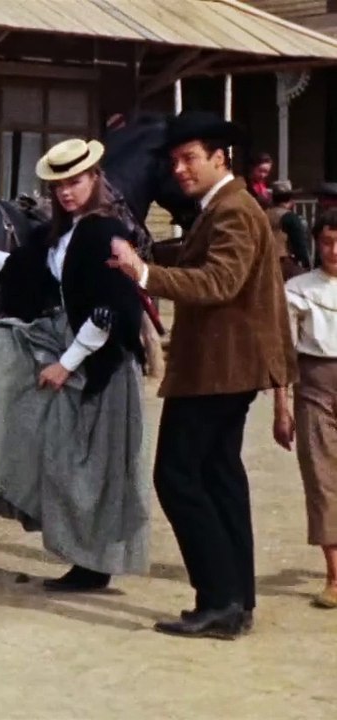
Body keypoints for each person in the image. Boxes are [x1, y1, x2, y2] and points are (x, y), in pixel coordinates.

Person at [0, 138, 151, 592]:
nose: (66, 192)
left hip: (98, 358)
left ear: (94, 180)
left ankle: (94, 566)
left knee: (88, 467)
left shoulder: (104, 232)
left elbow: (110, 310)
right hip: (67, 338)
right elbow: (16, 266)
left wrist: (66, 364)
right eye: (58, 184)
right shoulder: (62, 234)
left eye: (75, 182)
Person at [106, 110, 297, 640]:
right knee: (220, 478)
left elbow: (219, 281)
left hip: (219, 369)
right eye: (174, 161)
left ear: (220, 158)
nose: (181, 170)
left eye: (190, 159)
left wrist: (140, 271)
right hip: (227, 367)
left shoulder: (233, 210)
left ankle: (217, 600)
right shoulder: (223, 208)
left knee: (177, 476)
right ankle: (237, 599)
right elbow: (207, 264)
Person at [273, 208, 337, 610]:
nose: (334, 250)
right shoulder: (299, 288)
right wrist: (282, 406)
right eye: (327, 242)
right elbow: (283, 352)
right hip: (315, 388)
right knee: (322, 480)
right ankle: (334, 575)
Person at [265, 179, 313, 278]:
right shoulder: (290, 217)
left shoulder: (263, 214)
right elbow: (299, 244)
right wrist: (306, 264)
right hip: (282, 263)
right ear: (291, 200)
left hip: (263, 262)